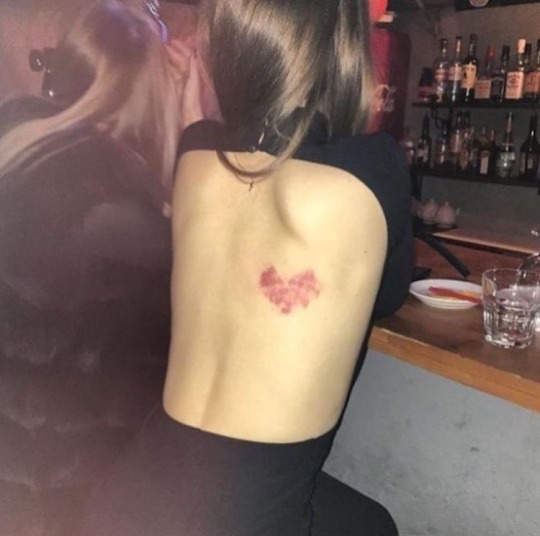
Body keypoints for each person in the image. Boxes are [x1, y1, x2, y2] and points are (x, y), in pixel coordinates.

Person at [79, 1, 413, 535]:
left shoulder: (193, 153)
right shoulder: (375, 168)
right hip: (247, 518)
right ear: (345, 50)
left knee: (370, 522)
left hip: (129, 492)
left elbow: (219, 151)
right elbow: (391, 295)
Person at [0, 1, 199, 535]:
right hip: (56, 495)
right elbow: (188, 357)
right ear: (153, 95)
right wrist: (194, 134)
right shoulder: (123, 217)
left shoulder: (19, 151)